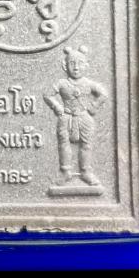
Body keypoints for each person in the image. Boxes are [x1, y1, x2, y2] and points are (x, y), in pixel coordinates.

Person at [43, 45, 107, 186]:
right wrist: (57, 106)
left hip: (84, 117)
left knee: (86, 145)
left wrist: (93, 106)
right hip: (66, 117)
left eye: (80, 63)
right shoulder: (62, 83)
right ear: (65, 66)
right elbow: (47, 94)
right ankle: (66, 172)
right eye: (72, 63)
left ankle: (86, 172)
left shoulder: (89, 84)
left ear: (86, 66)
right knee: (64, 144)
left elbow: (103, 94)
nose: (76, 67)